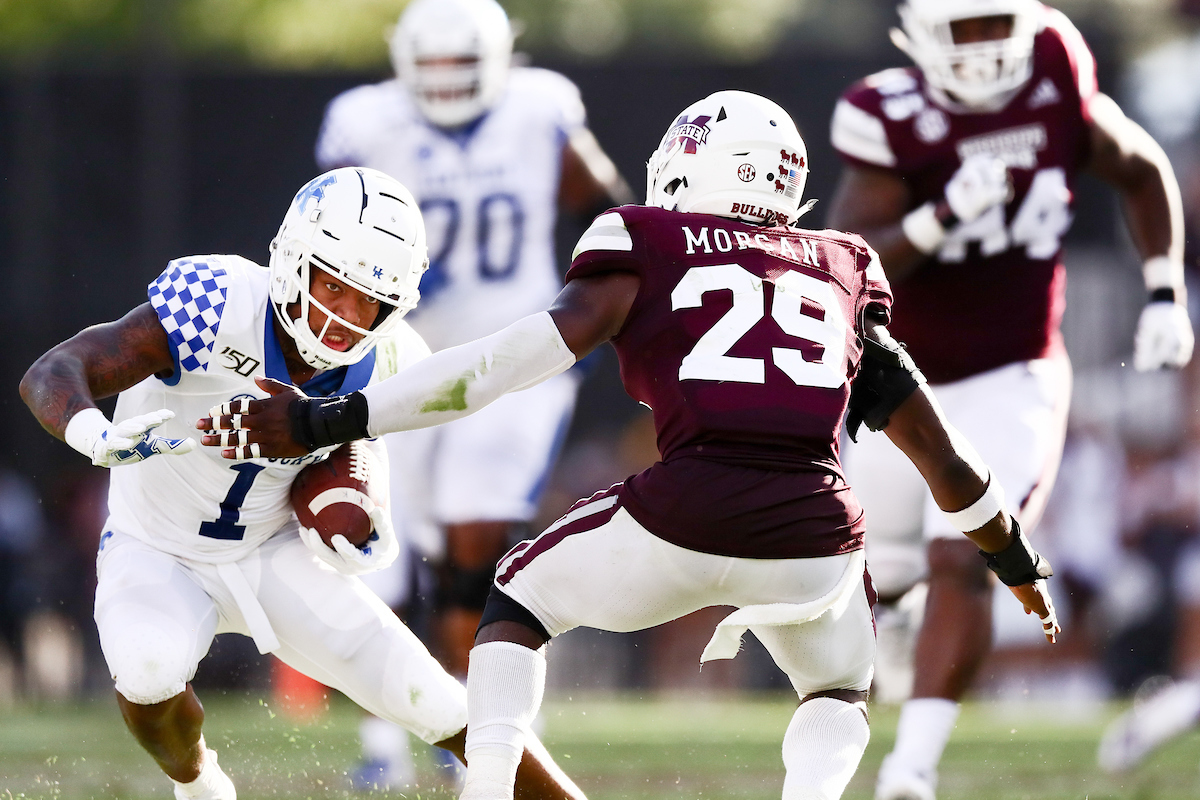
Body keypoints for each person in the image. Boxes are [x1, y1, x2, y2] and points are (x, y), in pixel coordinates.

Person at [196, 91, 1061, 800]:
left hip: (683, 507)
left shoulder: (645, 243)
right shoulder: (839, 265)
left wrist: (326, 419)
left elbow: (500, 366)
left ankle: (488, 789)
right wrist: (1015, 560)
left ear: (687, 166)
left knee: (513, 606)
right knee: (839, 689)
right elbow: (943, 456)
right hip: (815, 531)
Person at [18, 166, 585, 800]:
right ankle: (201, 783)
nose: (346, 315)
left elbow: (374, 456)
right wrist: (90, 432)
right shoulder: (217, 301)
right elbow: (58, 368)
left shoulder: (394, 357)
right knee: (148, 673)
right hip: (156, 545)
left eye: (369, 300)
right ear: (292, 260)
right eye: (332, 285)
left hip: (274, 548)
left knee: (429, 696)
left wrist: (359, 514)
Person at [825, 1, 1193, 797]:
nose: (988, 47)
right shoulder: (885, 111)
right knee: (873, 571)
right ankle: (900, 620)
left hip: (1012, 369)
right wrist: (942, 216)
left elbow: (1138, 165)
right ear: (921, 32)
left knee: (964, 552)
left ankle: (909, 771)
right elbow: (849, 264)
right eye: (967, 27)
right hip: (896, 378)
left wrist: (1165, 290)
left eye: (1000, 23)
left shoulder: (1055, 66)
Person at [315, 0, 633, 680]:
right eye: (432, 62)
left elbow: (610, 215)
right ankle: (387, 740)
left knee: (474, 537)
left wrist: (596, 312)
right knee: (382, 545)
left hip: (517, 350)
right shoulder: (364, 121)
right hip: (399, 356)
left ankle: (472, 721)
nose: (446, 76)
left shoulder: (539, 109)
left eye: (460, 60)